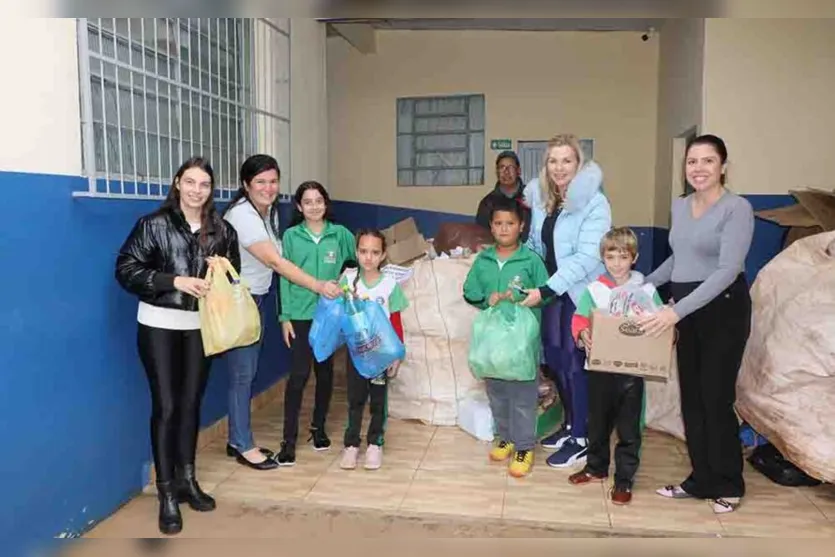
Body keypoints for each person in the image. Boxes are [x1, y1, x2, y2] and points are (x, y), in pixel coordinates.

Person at [115, 157, 240, 535]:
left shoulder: (223, 229)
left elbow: (233, 275)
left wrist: (220, 275)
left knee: (190, 405)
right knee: (167, 406)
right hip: (159, 325)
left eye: (204, 184)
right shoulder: (152, 225)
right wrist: (174, 281)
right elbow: (126, 269)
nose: (196, 190)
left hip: (201, 327)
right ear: (177, 183)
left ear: (211, 189)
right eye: (190, 182)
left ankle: (187, 480)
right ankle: (166, 492)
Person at [638, 134, 754, 514]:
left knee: (715, 398)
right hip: (688, 310)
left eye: (707, 161)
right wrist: (643, 283)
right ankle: (701, 478)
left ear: (723, 166)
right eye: (692, 161)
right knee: (692, 399)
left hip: (722, 309)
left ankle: (729, 482)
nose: (699, 168)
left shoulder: (737, 208)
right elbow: (679, 259)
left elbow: (727, 270)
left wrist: (675, 311)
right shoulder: (681, 205)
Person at [221, 155, 342, 470]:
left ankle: (238, 438)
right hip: (241, 301)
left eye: (273, 181)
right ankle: (244, 445)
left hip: (257, 300)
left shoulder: (268, 213)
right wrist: (316, 285)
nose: (268, 187)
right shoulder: (243, 215)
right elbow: (276, 262)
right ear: (246, 185)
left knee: (244, 374)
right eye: (260, 181)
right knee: (242, 375)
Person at [521, 134, 612, 469]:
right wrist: (520, 266)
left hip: (577, 295)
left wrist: (547, 289)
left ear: (579, 164)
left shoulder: (594, 203)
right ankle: (570, 425)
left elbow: (588, 256)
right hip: (552, 293)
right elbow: (536, 243)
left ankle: (583, 437)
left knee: (575, 365)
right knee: (556, 361)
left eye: (566, 161)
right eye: (553, 161)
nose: (559, 168)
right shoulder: (546, 200)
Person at [567, 227, 663, 505]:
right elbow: (580, 318)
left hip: (632, 371)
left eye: (623, 257)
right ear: (603, 258)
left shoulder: (645, 290)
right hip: (600, 370)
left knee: (629, 428)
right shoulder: (595, 290)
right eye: (611, 257)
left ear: (634, 258)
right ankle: (596, 468)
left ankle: (624, 479)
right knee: (597, 423)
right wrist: (583, 334)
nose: (617, 263)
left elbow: (659, 322)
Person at [463, 196, 551, 478]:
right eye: (498, 223)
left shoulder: (531, 260)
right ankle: (505, 437)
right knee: (497, 392)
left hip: (522, 342)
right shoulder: (483, 261)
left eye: (510, 223)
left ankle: (524, 446)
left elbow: (546, 295)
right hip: (492, 341)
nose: (504, 229)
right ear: (491, 227)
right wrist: (485, 298)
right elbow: (469, 291)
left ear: (521, 226)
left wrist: (528, 299)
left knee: (523, 396)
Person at [277, 181, 357, 466]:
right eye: (307, 202)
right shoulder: (290, 237)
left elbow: (355, 262)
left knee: (325, 372)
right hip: (299, 312)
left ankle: (318, 428)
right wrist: (284, 316)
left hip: (329, 314)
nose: (314, 206)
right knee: (298, 375)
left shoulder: (340, 234)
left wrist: (346, 289)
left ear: (326, 203)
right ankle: (288, 441)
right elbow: (284, 276)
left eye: (319, 200)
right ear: (299, 206)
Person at [338, 229, 409, 471]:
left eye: (375, 252)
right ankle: (351, 444)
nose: (368, 257)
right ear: (356, 253)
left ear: (383, 255)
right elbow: (338, 315)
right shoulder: (347, 281)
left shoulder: (390, 285)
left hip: (381, 355)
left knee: (378, 401)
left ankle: (375, 443)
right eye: (363, 251)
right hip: (356, 353)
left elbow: (397, 322)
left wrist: (397, 355)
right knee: (355, 399)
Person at [475, 150, 531, 243]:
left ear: (518, 171)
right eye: (502, 167)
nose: (506, 172)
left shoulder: (531, 197)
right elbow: (481, 234)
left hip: (528, 252)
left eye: (510, 167)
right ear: (497, 172)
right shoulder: (487, 203)